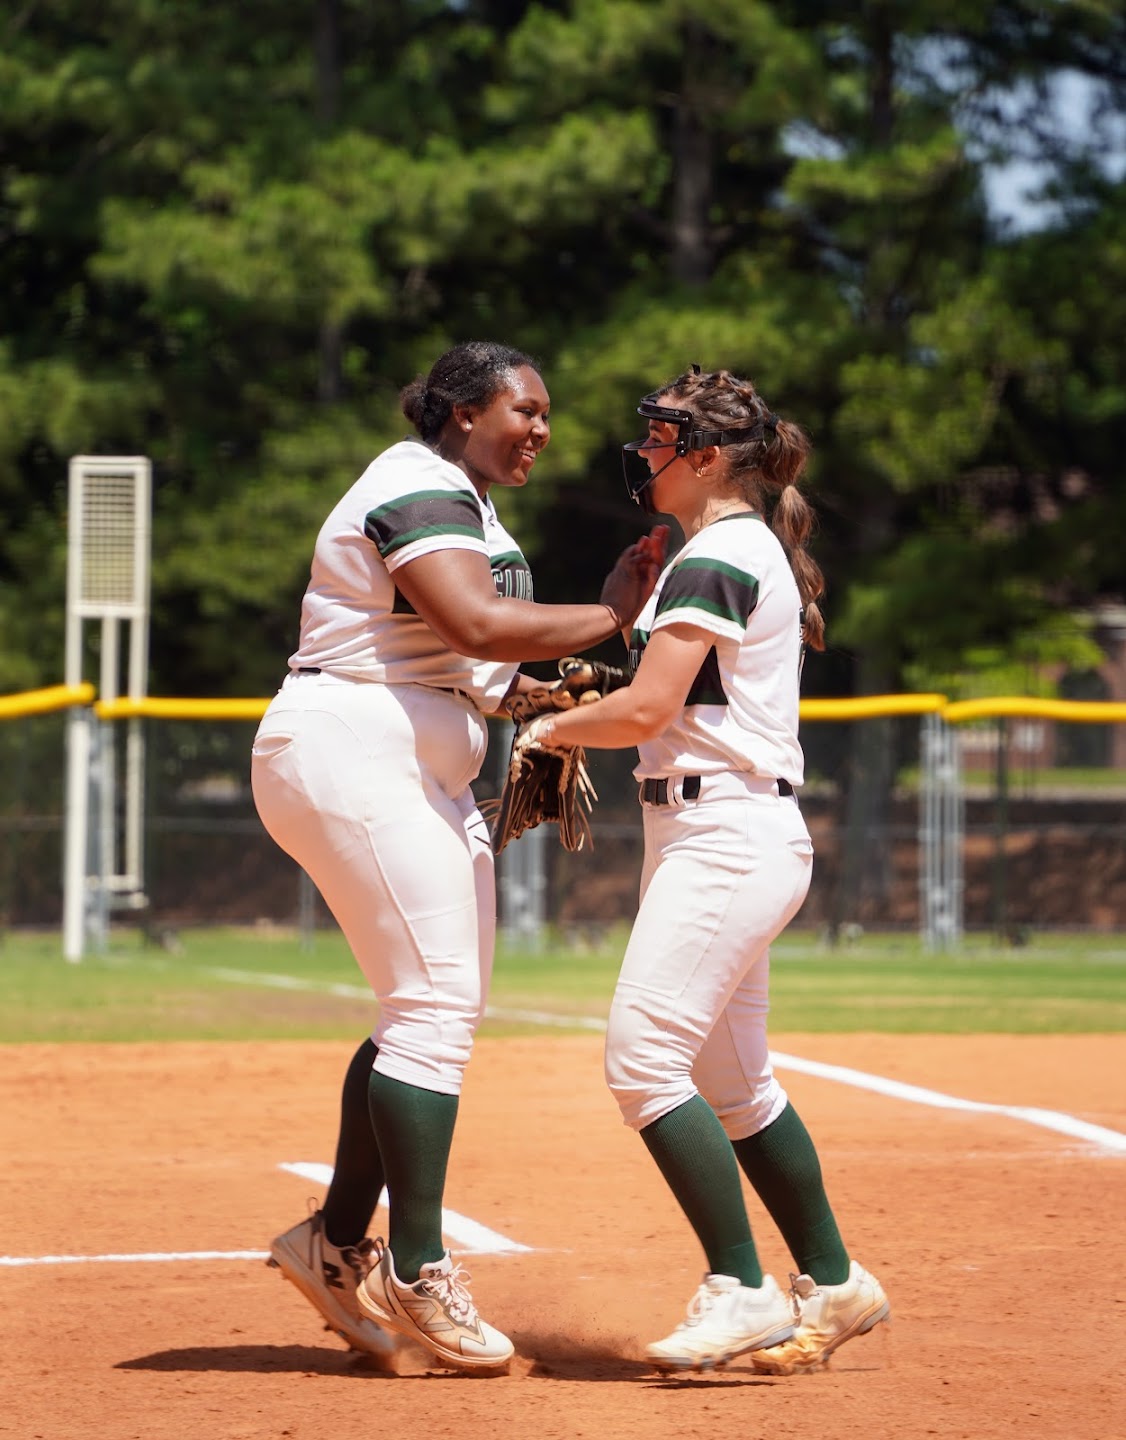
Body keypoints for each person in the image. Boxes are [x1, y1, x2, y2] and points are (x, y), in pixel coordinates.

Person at [250, 340, 666, 1374]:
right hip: (353, 744)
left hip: (415, 753)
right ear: (457, 410)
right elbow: (474, 620)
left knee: (428, 1011)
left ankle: (336, 1243)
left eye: (546, 413)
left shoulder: (467, 507)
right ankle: (419, 1269)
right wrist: (613, 614)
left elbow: (474, 664)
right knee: (433, 1010)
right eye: (521, 408)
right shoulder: (415, 480)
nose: (539, 428)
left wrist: (545, 702)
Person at [514, 366, 890, 1374]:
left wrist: (544, 730)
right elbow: (661, 697)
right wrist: (620, 624)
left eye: (660, 437)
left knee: (642, 1063)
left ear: (708, 455)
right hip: (712, 834)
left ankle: (741, 1286)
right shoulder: (718, 551)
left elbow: (642, 713)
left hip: (724, 836)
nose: (644, 452)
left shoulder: (719, 552)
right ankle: (836, 1280)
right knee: (734, 1081)